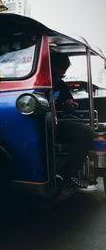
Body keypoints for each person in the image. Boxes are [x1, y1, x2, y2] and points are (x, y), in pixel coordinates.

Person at [50, 52, 96, 191]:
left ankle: (68, 174)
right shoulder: (31, 81)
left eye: (61, 76)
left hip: (54, 124)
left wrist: (70, 105)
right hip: (31, 125)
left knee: (85, 132)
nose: (57, 79)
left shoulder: (60, 84)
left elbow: (69, 103)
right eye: (55, 75)